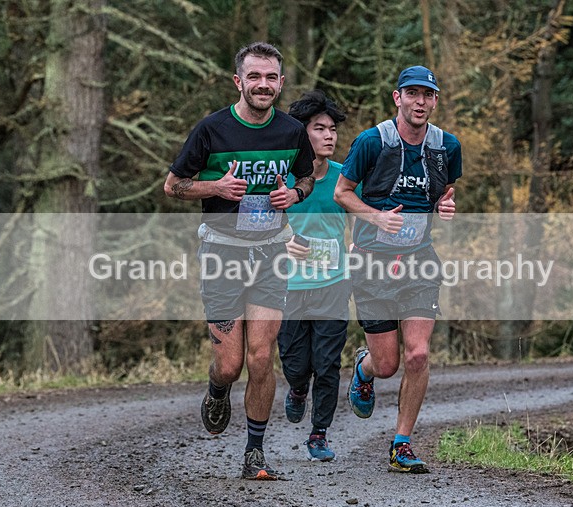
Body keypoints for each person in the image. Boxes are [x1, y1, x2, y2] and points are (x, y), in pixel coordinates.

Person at [163, 42, 316, 480]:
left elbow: (305, 175)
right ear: (239, 81)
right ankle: (216, 389)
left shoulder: (291, 132)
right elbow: (173, 186)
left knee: (262, 358)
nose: (263, 85)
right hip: (222, 253)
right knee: (230, 366)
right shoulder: (211, 130)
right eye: (254, 77)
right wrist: (216, 189)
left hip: (271, 252)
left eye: (271, 78)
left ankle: (254, 453)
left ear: (281, 83)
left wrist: (296, 194)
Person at [333, 65, 461, 473]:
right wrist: (375, 217)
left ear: (435, 101)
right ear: (397, 98)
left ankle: (401, 443)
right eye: (412, 94)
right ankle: (364, 368)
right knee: (387, 364)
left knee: (419, 355)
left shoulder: (446, 146)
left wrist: (445, 207)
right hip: (372, 265)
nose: (420, 102)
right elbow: (342, 193)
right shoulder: (372, 142)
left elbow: (443, 196)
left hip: (419, 262)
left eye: (427, 95)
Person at [278, 90, 351, 462]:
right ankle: (295, 390)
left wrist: (361, 248)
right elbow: (259, 227)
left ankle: (319, 433)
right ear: (301, 134)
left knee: (328, 363)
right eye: (319, 128)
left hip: (334, 284)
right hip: (289, 285)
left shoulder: (343, 178)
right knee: (295, 363)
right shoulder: (286, 179)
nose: (329, 135)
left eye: (332, 129)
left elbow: (371, 213)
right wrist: (282, 245)